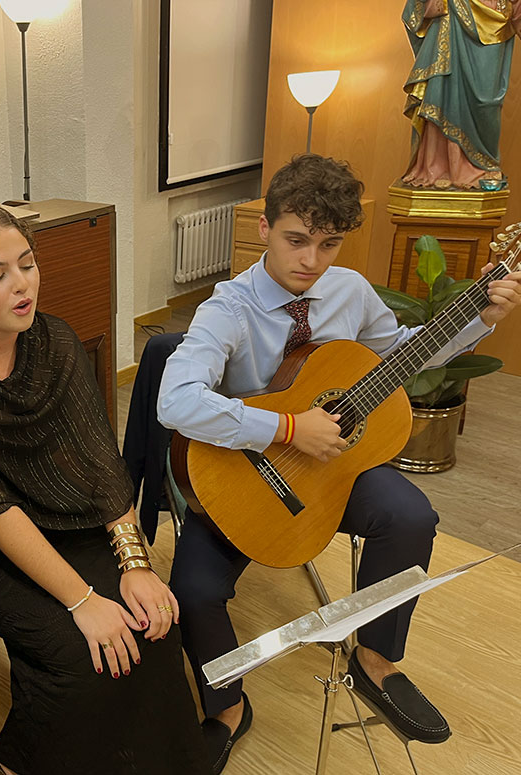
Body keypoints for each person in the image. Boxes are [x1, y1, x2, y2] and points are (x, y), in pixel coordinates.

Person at [158, 154, 521, 773]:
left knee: (411, 516)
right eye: (297, 241)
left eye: (328, 244)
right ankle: (226, 707)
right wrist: (290, 426)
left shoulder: (349, 291)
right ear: (266, 226)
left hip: (328, 470)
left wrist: (478, 319)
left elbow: (400, 354)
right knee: (192, 589)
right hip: (247, 476)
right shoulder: (229, 307)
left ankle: (375, 661)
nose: (311, 261)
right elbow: (175, 400)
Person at [0, 200, 211, 775]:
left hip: (67, 521)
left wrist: (135, 564)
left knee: (157, 629)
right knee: (81, 651)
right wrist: (84, 600)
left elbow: (99, 465)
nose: (23, 285)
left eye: (27, 263)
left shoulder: (56, 341)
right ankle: (25, 759)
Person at [401, 0, 521, 188]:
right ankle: (440, 167)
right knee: (444, 91)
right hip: (452, 20)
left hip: (495, 18)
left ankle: (483, 165)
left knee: (486, 102)